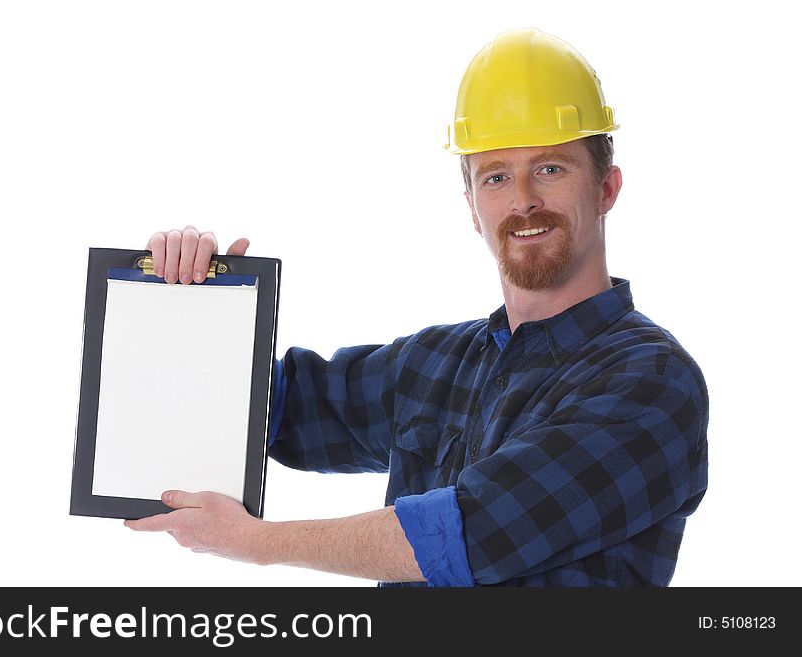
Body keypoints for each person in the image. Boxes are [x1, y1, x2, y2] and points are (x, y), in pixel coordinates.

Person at [126, 28, 708, 587]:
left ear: (606, 188)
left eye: (551, 168)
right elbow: (274, 412)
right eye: (497, 176)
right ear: (473, 207)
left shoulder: (651, 381)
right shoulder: (437, 364)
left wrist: (257, 543)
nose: (524, 201)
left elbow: (472, 534)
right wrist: (196, 307)